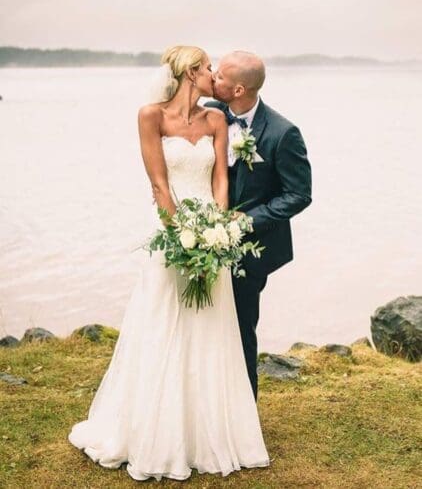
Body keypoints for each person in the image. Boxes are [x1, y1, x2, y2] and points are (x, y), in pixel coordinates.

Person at [68, 45, 270, 482]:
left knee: (210, 330)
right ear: (188, 73)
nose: (213, 74)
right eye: (207, 68)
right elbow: (159, 184)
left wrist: (215, 233)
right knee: (162, 323)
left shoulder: (216, 119)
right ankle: (155, 431)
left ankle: (209, 434)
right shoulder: (150, 117)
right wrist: (183, 238)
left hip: (211, 236)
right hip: (171, 234)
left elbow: (220, 178)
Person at [205, 51, 312, 400]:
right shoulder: (209, 112)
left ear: (238, 90)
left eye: (219, 76)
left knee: (239, 328)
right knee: (201, 323)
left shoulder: (283, 133)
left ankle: (243, 412)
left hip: (251, 249)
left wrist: (247, 221)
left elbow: (298, 194)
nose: (212, 79)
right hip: (202, 238)